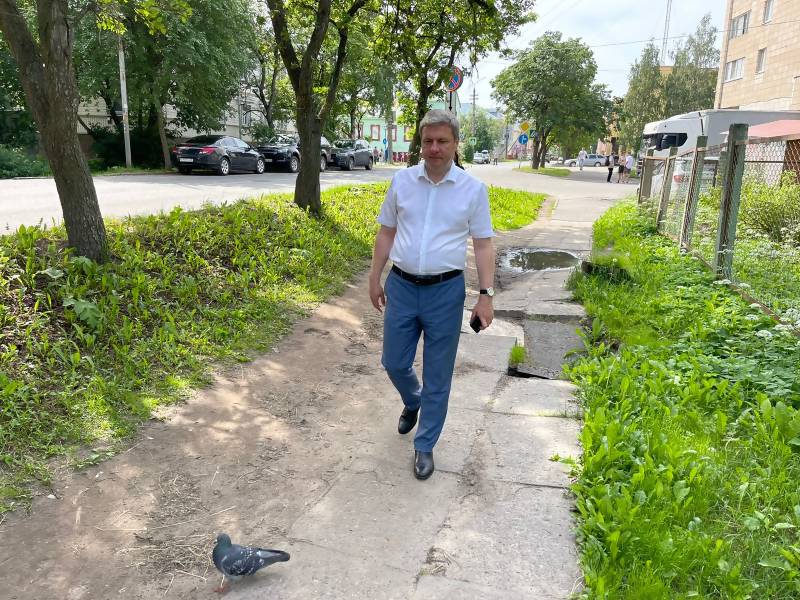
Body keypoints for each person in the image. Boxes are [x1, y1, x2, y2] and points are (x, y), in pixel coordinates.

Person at [369, 109, 496, 481]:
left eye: (442, 141)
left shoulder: (473, 190)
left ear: (456, 144)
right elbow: (386, 232)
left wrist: (486, 296)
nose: (435, 148)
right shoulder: (402, 182)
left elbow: (483, 245)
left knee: (439, 375)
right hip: (402, 286)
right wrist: (375, 277)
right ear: (420, 144)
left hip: (445, 292)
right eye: (428, 141)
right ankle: (413, 400)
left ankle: (424, 445)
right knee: (394, 362)